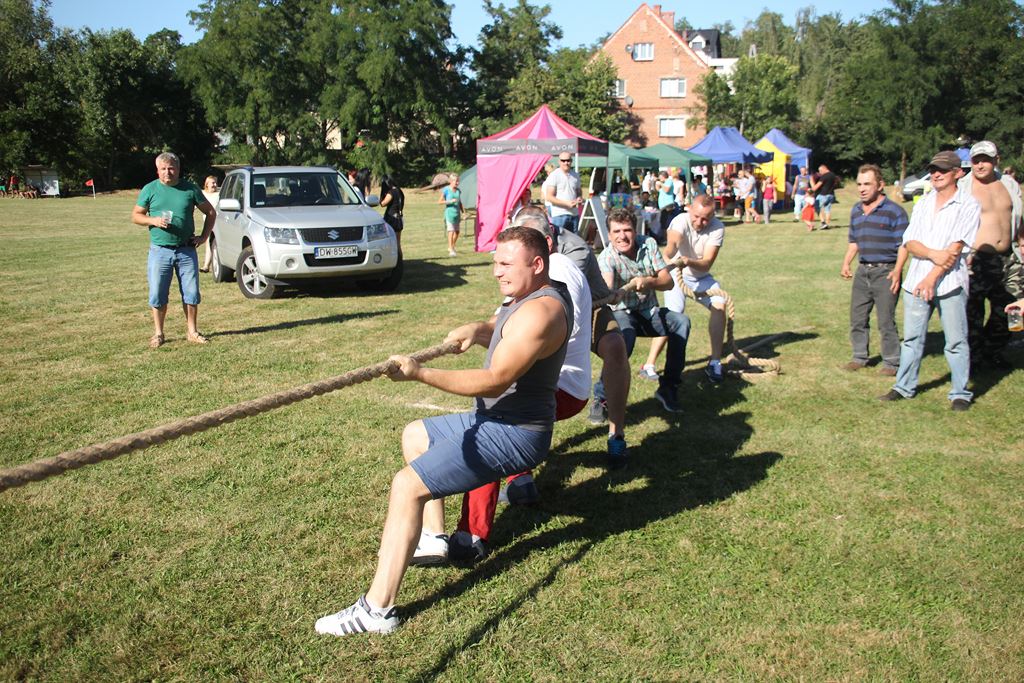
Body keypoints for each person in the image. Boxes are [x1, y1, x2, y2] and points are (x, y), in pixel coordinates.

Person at [313, 226, 571, 636]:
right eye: (495, 262)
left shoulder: (542, 311)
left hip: (515, 431)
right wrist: (477, 329)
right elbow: (503, 328)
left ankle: (376, 610)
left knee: (406, 486)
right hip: (495, 420)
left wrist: (421, 374)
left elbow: (496, 379)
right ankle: (434, 537)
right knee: (415, 434)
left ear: (536, 264)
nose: (496, 272)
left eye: (505, 264)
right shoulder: (527, 296)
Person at [446, 212, 592, 563]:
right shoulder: (554, 273)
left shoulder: (551, 283)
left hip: (563, 389)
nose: (504, 267)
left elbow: (514, 342)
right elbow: (501, 329)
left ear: (542, 250)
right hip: (567, 386)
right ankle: (522, 480)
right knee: (509, 404)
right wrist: (476, 329)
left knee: (490, 424)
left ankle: (472, 533)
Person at [879, 150, 980, 411]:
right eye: (933, 168)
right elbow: (910, 242)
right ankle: (904, 386)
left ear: (958, 173)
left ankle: (959, 392)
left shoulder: (969, 205)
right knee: (912, 339)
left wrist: (932, 277)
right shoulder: (923, 202)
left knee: (956, 341)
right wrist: (934, 254)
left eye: (942, 170)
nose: (935, 174)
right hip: (915, 282)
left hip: (950, 283)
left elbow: (956, 248)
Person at [598, 207, 690, 412]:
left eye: (627, 230)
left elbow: (667, 282)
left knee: (681, 322)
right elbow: (607, 285)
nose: (622, 236)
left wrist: (647, 281)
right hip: (622, 313)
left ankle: (668, 388)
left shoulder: (648, 244)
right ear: (609, 235)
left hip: (649, 312)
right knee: (624, 337)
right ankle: (601, 397)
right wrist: (610, 292)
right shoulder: (606, 257)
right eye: (617, 231)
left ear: (635, 230)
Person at [131, 152, 217, 349]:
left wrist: (204, 237)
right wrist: (153, 220)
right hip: (160, 250)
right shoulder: (150, 189)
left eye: (171, 168)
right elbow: (136, 216)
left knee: (191, 293)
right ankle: (159, 333)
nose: (167, 172)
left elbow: (211, 212)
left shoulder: (190, 188)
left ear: (178, 169)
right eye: (163, 169)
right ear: (157, 170)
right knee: (158, 293)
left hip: (186, 250)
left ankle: (192, 332)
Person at [643, 195, 727, 384]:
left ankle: (715, 362)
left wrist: (688, 261)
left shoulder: (718, 228)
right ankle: (648, 365)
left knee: (719, 304)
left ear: (713, 215)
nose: (699, 222)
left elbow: (706, 264)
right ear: (689, 209)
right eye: (696, 216)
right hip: (676, 276)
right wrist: (671, 257)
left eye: (705, 218)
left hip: (701, 277)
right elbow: (671, 246)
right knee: (674, 316)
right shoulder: (680, 220)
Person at [957, 141, 1023, 370]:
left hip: (1009, 257)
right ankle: (974, 357)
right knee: (972, 311)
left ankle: (993, 349)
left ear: (997, 160)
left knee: (1013, 310)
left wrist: (1022, 241)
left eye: (985, 159)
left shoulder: (1009, 184)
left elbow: (1018, 216)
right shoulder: (963, 187)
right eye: (976, 160)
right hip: (976, 259)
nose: (980, 164)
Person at [840, 164, 910, 376]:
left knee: (886, 320)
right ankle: (859, 357)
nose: (862, 188)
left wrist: (897, 271)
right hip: (863, 270)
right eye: (860, 184)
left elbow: (904, 245)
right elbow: (854, 241)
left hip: (886, 271)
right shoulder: (856, 210)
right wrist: (846, 262)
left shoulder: (894, 211)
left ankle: (891, 363)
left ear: (880, 185)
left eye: (867, 184)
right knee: (857, 317)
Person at [542, 153, 583, 234]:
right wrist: (566, 204)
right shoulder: (554, 175)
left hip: (574, 214)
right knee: (559, 242)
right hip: (559, 215)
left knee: (574, 243)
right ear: (559, 162)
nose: (566, 163)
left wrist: (579, 198)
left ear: (571, 161)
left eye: (568, 160)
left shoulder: (575, 175)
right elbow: (549, 197)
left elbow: (578, 191)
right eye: (563, 160)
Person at [439, 173, 463, 257]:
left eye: (458, 181)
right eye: (456, 181)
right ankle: (451, 249)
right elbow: (439, 201)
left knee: (457, 232)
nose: (457, 183)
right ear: (451, 181)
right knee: (451, 231)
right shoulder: (446, 190)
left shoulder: (458, 191)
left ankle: (452, 246)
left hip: (457, 214)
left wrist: (463, 212)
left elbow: (460, 202)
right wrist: (449, 201)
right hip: (449, 213)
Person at [199, 175, 219, 273]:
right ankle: (206, 265)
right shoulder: (202, 194)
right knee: (208, 243)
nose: (214, 185)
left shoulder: (219, 195)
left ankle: (207, 265)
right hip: (208, 222)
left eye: (215, 183)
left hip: (218, 222)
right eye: (212, 183)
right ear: (207, 184)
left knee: (212, 243)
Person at [379, 175, 405, 250]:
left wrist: (382, 194)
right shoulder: (399, 191)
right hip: (399, 218)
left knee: (390, 242)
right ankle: (399, 261)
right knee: (398, 243)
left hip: (391, 219)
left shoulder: (391, 193)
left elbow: (382, 204)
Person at [811, 163, 838, 230]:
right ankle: (827, 224)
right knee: (827, 209)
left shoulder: (824, 176)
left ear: (824, 169)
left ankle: (823, 223)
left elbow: (815, 187)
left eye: (820, 171)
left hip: (823, 194)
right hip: (831, 194)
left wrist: (811, 181)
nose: (820, 173)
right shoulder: (833, 175)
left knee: (817, 207)